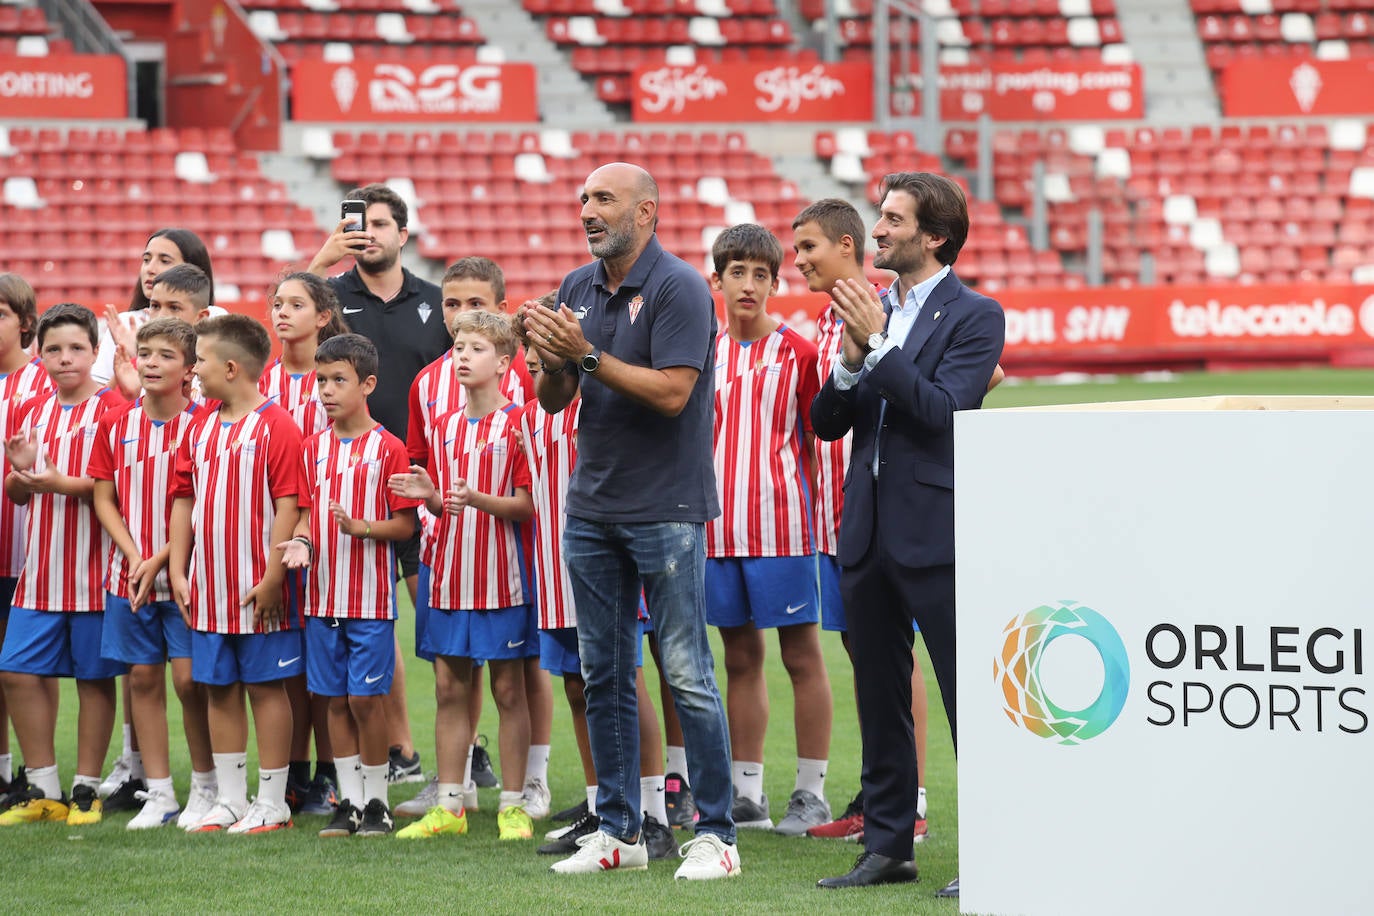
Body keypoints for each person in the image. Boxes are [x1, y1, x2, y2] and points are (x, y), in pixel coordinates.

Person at [520, 161, 740, 879]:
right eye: (583, 199)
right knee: (605, 670)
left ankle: (718, 837)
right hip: (592, 504)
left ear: (646, 212)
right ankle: (620, 831)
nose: (587, 210)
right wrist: (553, 361)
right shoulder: (578, 286)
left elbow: (675, 393)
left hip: (666, 507)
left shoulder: (680, 288)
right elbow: (556, 401)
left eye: (603, 199)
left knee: (686, 672)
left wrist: (584, 353)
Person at [812, 173, 1005, 891]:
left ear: (935, 237)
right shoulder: (870, 308)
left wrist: (878, 346)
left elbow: (944, 412)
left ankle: (992, 849)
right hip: (864, 531)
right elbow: (828, 423)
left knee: (967, 697)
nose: (879, 230)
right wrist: (852, 359)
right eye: (881, 216)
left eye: (893, 219)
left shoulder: (977, 315)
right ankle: (889, 848)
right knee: (880, 696)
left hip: (937, 531)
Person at [791, 198, 933, 845]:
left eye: (809, 248)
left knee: (895, 659)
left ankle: (913, 801)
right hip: (837, 520)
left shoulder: (889, 310)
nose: (798, 262)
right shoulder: (826, 322)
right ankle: (884, 794)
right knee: (865, 656)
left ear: (848, 247)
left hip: (884, 517)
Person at [516, 297, 677, 862]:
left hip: (606, 556)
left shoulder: (602, 396)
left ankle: (654, 812)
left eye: (549, 348)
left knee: (625, 684)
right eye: (532, 354)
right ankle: (601, 806)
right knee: (581, 688)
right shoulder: (528, 412)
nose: (540, 360)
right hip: (558, 569)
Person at [307, 183, 447, 778]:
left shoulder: (437, 302)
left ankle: (460, 766)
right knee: (369, 627)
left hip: (417, 486)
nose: (371, 234)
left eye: (383, 224)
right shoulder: (330, 294)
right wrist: (321, 260)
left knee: (440, 633)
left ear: (404, 235)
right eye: (361, 224)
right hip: (343, 488)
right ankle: (401, 752)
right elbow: (281, 321)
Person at [701, 224, 833, 836]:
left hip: (782, 529)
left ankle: (811, 792)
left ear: (776, 284)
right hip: (718, 532)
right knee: (739, 657)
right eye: (738, 273)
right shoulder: (702, 354)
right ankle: (746, 792)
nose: (749, 285)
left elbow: (816, 441)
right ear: (718, 280)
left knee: (802, 656)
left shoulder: (799, 354)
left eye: (761, 275)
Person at [398, 257, 543, 813]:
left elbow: (529, 506)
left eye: (476, 347)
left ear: (505, 361)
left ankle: (512, 802)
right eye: (457, 346)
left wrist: (476, 499)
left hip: (501, 575)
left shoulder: (520, 421)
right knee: (449, 688)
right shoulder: (442, 421)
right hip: (448, 571)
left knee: (510, 689)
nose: (462, 354)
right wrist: (429, 495)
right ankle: (450, 804)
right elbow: (444, 501)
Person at [168, 314, 305, 834]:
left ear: (230, 367)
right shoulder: (200, 423)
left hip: (257, 588)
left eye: (198, 361)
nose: (193, 371)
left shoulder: (277, 425)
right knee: (218, 688)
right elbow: (184, 499)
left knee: (267, 688)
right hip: (208, 586)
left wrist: (274, 576)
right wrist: (179, 569)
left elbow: (290, 504)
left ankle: (273, 801)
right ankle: (229, 798)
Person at [280, 333, 420, 839]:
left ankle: (378, 800)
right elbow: (303, 516)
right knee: (333, 701)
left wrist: (362, 528)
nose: (326, 390)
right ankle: (349, 802)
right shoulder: (311, 448)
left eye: (339, 380)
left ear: (368, 384)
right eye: (321, 380)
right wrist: (300, 542)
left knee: (365, 701)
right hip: (321, 599)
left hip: (370, 601)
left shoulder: (389, 448)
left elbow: (405, 527)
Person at [0, 303, 127, 826]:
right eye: (53, 349)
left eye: (76, 348)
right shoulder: (34, 412)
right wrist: (21, 475)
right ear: (39, 354)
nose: (64, 358)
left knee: (93, 679)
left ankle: (87, 789)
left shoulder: (114, 411)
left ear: (95, 353)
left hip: (96, 571)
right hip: (41, 570)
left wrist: (54, 483)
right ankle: (42, 786)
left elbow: (113, 489)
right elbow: (17, 494)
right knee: (17, 671)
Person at [90, 318, 216, 830]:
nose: (151, 363)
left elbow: (207, 503)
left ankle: (207, 787)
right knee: (142, 678)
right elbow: (103, 497)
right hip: (130, 573)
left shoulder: (205, 423)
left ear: (190, 369)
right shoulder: (115, 423)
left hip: (187, 574)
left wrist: (163, 556)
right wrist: (134, 554)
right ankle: (160, 793)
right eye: (145, 354)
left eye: (165, 355)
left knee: (189, 682)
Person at [261, 271, 350, 818]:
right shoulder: (263, 381)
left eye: (296, 303)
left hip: (322, 540)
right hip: (269, 538)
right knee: (285, 667)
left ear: (322, 317)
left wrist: (312, 527)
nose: (282, 312)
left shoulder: (332, 379)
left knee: (323, 668)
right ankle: (293, 774)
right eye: (276, 303)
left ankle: (331, 773)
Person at [0, 274, 48, 800]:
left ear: (25, 323)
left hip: (29, 550)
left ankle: (38, 778)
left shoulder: (43, 384)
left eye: (1, 314)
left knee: (23, 668)